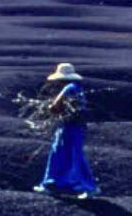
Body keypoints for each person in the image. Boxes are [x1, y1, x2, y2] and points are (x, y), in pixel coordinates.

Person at [33, 62, 100, 199]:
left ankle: (86, 186)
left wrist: (49, 108)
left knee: (63, 153)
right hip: (77, 126)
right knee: (69, 153)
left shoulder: (68, 88)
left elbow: (55, 106)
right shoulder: (78, 88)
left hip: (69, 126)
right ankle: (57, 184)